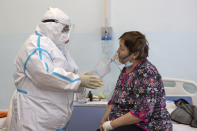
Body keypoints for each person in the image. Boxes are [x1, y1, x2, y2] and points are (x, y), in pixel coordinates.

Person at [10, 8, 103, 131]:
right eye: (64, 29)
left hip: (54, 120)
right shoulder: (35, 46)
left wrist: (80, 78)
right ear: (52, 26)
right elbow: (45, 75)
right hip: (35, 120)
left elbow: (65, 72)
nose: (67, 33)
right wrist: (78, 79)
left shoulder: (57, 46)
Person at [100, 31, 172, 131]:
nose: (118, 51)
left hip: (148, 126)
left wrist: (111, 124)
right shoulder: (126, 70)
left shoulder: (147, 73)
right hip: (123, 123)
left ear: (135, 54)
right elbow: (115, 98)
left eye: (122, 48)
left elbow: (142, 112)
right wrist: (105, 119)